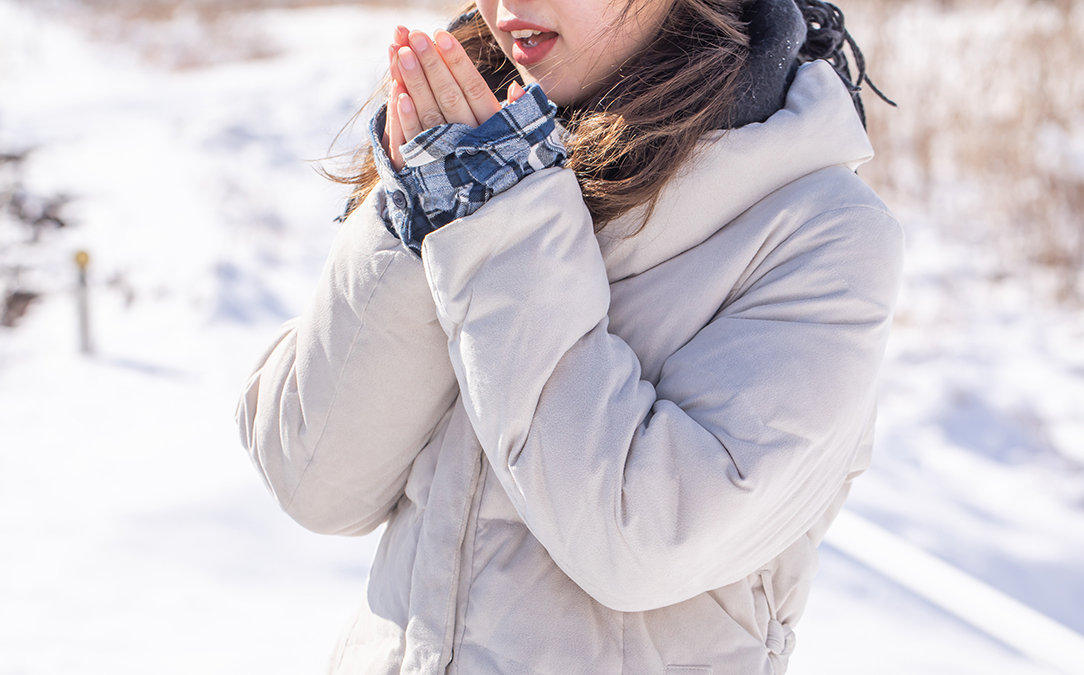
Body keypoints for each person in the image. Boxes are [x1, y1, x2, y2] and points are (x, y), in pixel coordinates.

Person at [237, 0, 902, 672]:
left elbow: (642, 541)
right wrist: (425, 207)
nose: (506, 7)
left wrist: (501, 215)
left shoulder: (819, 229)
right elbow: (313, 480)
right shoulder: (474, 128)